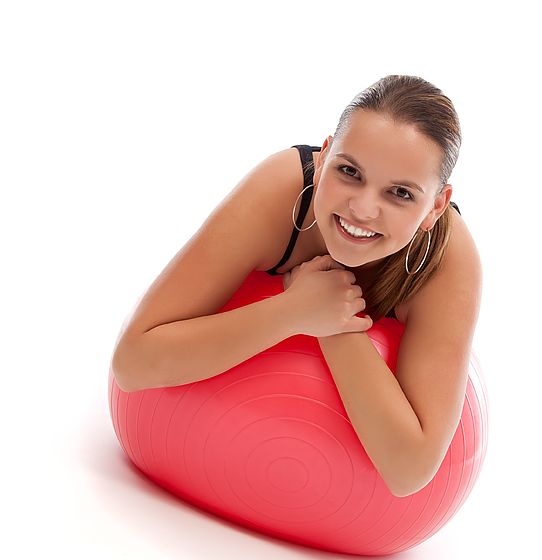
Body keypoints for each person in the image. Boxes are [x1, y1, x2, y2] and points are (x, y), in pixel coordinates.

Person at [111, 74, 482, 496]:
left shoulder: (449, 259)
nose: (362, 208)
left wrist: (334, 324)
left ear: (436, 205)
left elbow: (409, 471)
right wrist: (290, 312)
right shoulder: (280, 191)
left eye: (400, 193)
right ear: (323, 158)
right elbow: (132, 363)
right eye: (349, 171)